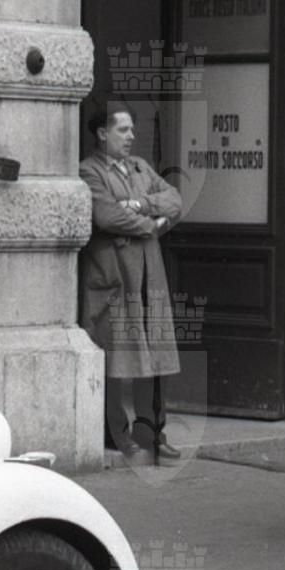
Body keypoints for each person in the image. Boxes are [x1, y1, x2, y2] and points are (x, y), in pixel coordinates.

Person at [79, 100, 184, 463]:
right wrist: (151, 227)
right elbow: (106, 216)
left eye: (132, 130)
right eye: (122, 130)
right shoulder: (89, 171)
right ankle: (115, 433)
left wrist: (138, 206)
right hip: (114, 276)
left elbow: (174, 200)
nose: (131, 136)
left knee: (154, 353)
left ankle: (152, 430)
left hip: (148, 274)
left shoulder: (140, 167)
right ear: (102, 133)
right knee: (116, 355)